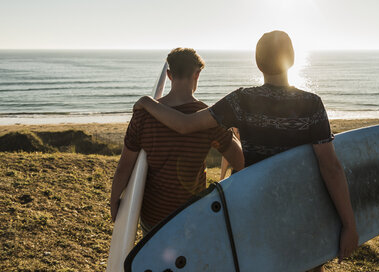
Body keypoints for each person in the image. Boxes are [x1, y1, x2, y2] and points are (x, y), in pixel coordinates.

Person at [134, 31, 358, 271]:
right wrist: (349, 224)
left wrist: (147, 102)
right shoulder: (311, 103)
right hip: (301, 208)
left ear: (258, 63)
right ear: (291, 59)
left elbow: (185, 125)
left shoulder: (242, 100)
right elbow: (330, 167)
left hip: (255, 208)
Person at [110, 48, 244, 236]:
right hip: (190, 214)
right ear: (197, 74)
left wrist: (115, 200)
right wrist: (231, 130)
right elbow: (239, 161)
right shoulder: (208, 118)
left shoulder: (143, 115)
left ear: (169, 75)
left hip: (153, 214)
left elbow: (125, 165)